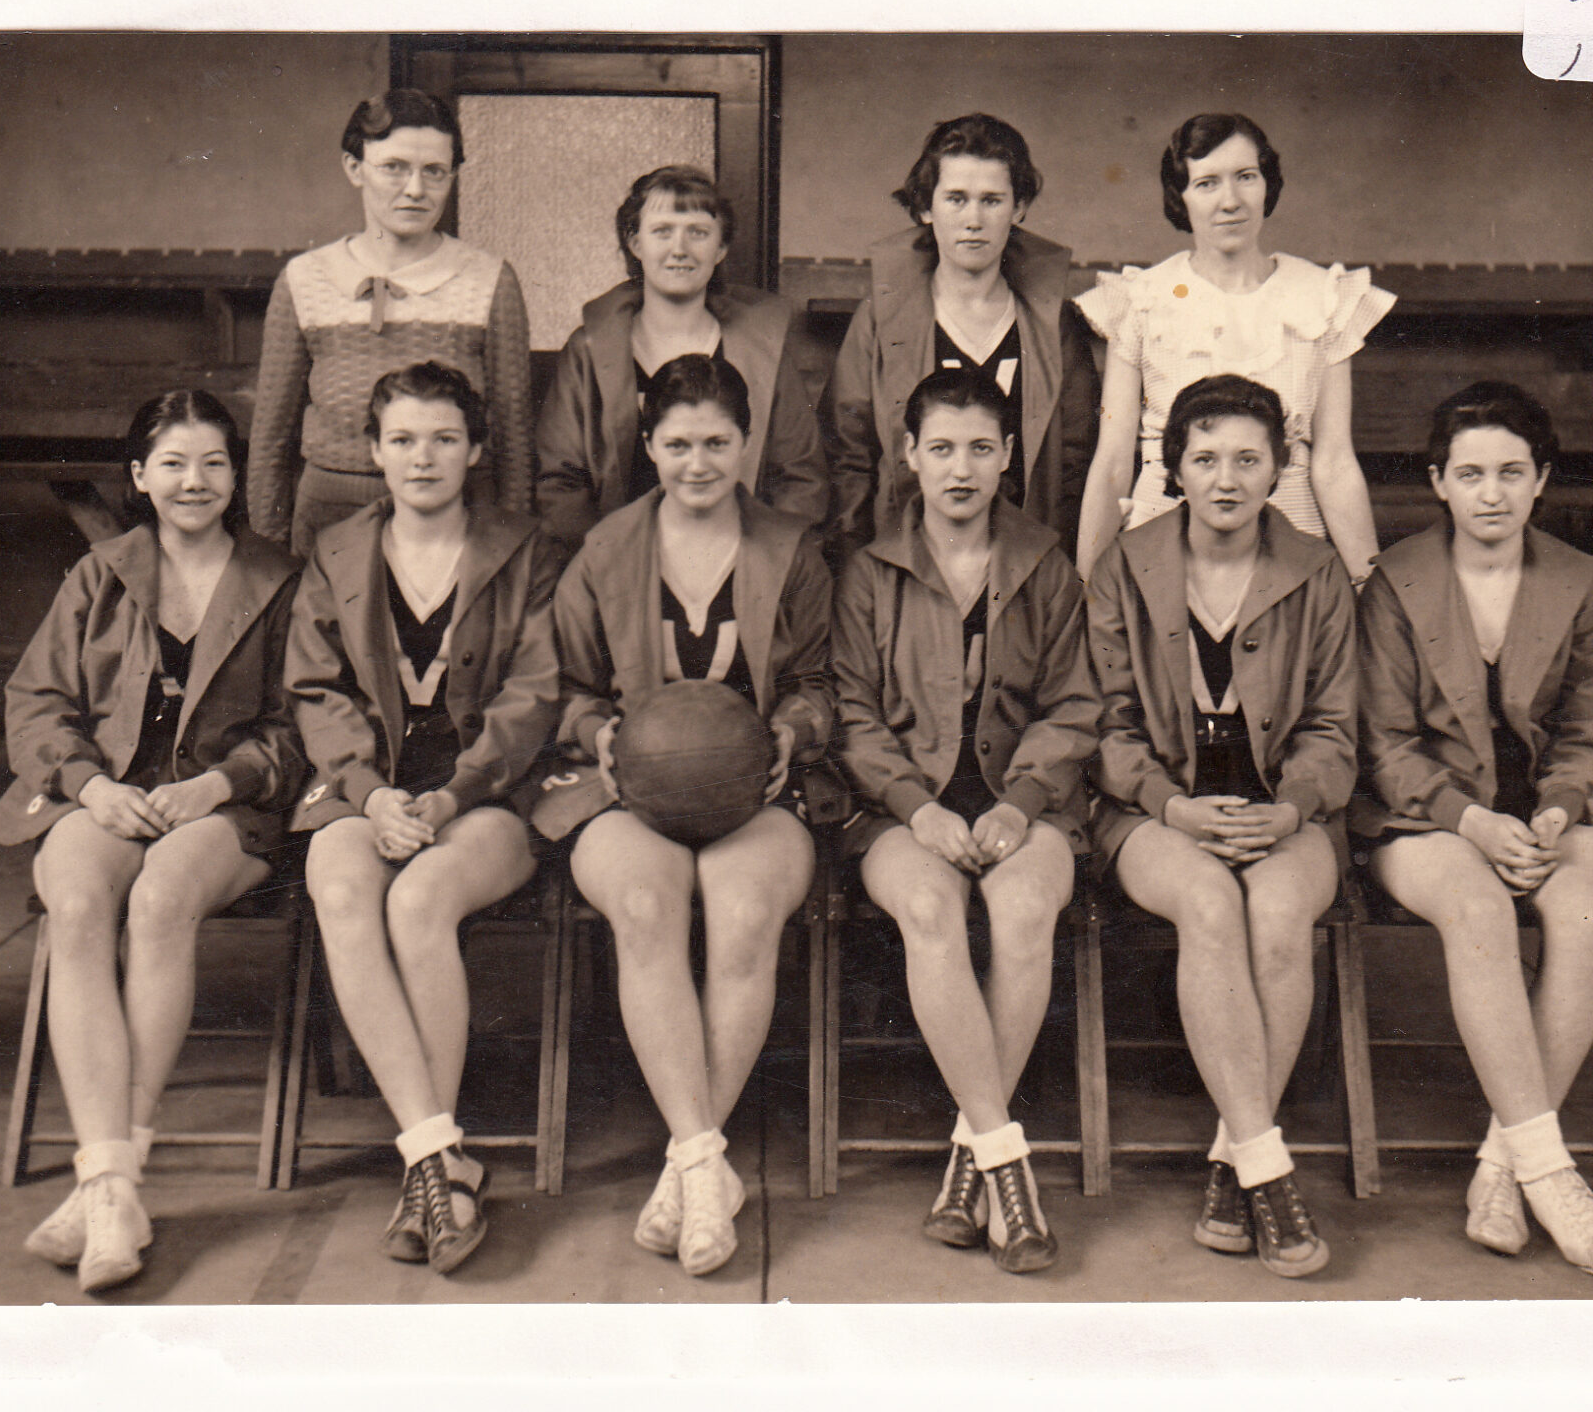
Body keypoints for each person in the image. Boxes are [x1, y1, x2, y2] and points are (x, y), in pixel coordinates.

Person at [0, 390, 305, 1293]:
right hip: (107, 791)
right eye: (172, 463)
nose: (193, 481)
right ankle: (115, 1181)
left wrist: (219, 782)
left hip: (225, 803)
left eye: (212, 462)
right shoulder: (100, 573)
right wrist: (88, 785)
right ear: (137, 477)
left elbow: (303, 717)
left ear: (237, 475)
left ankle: (106, 1182)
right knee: (77, 899)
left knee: (161, 902)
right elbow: (36, 703)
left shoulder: (280, 577)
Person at [543, 353, 832, 1277]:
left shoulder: (793, 546)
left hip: (755, 789)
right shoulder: (607, 548)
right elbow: (570, 687)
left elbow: (825, 682)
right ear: (647, 444)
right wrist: (595, 731)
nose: (698, 463)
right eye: (677, 444)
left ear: (747, 444)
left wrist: (793, 728)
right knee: (643, 908)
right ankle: (707, 1164)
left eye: (717, 443)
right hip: (634, 790)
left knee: (746, 914)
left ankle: (687, 1164)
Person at [1355, 381, 1593, 1280]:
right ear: (1439, 482)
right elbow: (1385, 743)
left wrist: (1558, 808)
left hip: (1546, 809)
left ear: (1542, 480)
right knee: (1479, 910)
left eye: (1512, 473)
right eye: (1471, 473)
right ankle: (1555, 1177)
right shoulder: (1396, 582)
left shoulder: (1573, 579)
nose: (1492, 493)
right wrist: (1472, 820)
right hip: (1428, 818)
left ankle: (1503, 1162)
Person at [286, 361, 562, 1275]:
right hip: (369, 789)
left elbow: (533, 697)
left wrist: (449, 797)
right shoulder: (335, 551)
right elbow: (316, 691)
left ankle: (428, 1172)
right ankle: (439, 1157)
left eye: (445, 437)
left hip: (486, 792)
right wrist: (370, 795)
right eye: (401, 439)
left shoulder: (526, 550)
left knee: (419, 904)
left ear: (478, 448)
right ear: (371, 452)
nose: (423, 456)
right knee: (337, 880)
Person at [1088, 374, 1357, 1280]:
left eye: (1249, 458)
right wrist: (1170, 805)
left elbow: (1332, 725)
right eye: (1205, 459)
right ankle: (1270, 1171)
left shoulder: (1317, 570)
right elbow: (1109, 723)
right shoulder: (1126, 564)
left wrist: (1292, 806)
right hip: (1158, 809)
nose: (1227, 478)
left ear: (1280, 467)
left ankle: (1232, 1156)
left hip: (1285, 808)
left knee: (1280, 917)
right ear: (1174, 470)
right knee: (1208, 904)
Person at [831, 366, 1097, 1275]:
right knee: (933, 912)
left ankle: (970, 1154)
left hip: (1029, 801)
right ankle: (1006, 1162)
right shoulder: (871, 570)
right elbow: (852, 714)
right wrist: (916, 806)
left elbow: (1075, 705)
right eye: (940, 448)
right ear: (908, 455)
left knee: (1025, 914)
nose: (960, 469)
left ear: (1009, 456)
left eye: (981, 448)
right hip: (899, 808)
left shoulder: (1046, 563)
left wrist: (1023, 803)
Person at [1073, 113, 1394, 585]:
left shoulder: (1320, 296)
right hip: (1162, 543)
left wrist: (1368, 589)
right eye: (1207, 183)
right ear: (1180, 197)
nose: (1231, 201)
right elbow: (1115, 460)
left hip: (1291, 543)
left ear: (1268, 184)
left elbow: (1334, 462)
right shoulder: (1142, 298)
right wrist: (1089, 585)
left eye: (1246, 177)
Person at [248, 89, 534, 556]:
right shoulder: (305, 279)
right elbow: (270, 438)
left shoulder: (489, 280)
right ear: (354, 168)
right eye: (394, 168)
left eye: (434, 172)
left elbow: (514, 436)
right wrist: (267, 559)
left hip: (459, 523)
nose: (416, 189)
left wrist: (511, 550)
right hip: (329, 521)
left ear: (453, 176)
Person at [822, 113, 1099, 561]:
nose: (973, 219)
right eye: (956, 198)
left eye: (992, 200)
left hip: (1024, 571)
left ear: (1020, 207)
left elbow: (1075, 463)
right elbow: (847, 458)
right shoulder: (880, 320)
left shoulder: (1053, 325)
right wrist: (861, 572)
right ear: (925, 208)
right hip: (904, 567)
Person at [535, 164, 829, 549]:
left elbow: (801, 477)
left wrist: (764, 562)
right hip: (619, 565)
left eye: (698, 233)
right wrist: (610, 565)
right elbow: (561, 482)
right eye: (662, 232)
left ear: (721, 248)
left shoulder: (764, 349)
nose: (680, 249)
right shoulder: (589, 350)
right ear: (635, 244)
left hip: (741, 562)